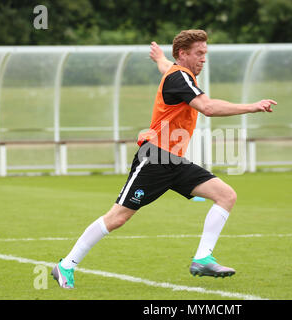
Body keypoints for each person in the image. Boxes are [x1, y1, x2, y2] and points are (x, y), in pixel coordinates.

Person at [51, 29, 277, 289]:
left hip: (175, 161)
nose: (204, 59)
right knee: (117, 217)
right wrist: (252, 106)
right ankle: (66, 265)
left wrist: (158, 57)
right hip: (154, 159)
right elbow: (208, 108)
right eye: (199, 54)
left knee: (226, 195)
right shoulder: (181, 76)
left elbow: (164, 66)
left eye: (205, 53)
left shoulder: (176, 72)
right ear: (183, 54)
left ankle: (202, 259)